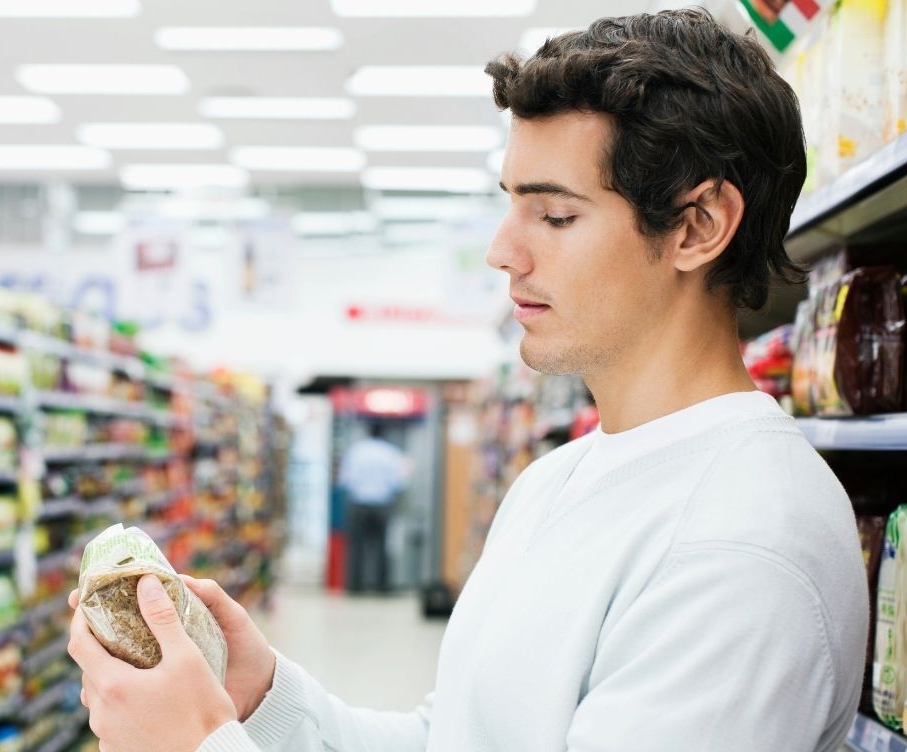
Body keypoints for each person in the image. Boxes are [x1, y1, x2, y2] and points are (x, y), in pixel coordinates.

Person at [65, 9, 869, 751]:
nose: (502, 252)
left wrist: (197, 745)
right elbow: (454, 736)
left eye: (554, 216)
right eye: (509, 206)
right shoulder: (555, 481)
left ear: (698, 225)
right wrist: (259, 700)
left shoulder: (745, 545)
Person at [338, 422, 409, 593]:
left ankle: (355, 586)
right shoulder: (391, 452)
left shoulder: (356, 451)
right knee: (382, 547)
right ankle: (382, 586)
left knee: (356, 546)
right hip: (382, 505)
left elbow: (345, 480)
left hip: (359, 504)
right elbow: (398, 482)